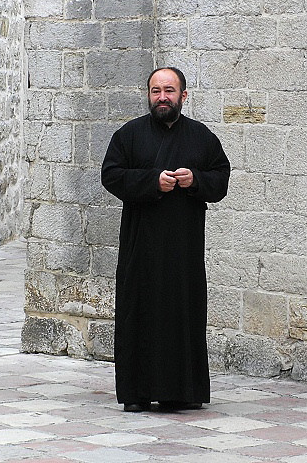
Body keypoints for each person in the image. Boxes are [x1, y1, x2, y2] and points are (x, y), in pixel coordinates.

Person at [101, 67, 230, 413]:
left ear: (183, 96)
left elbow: (221, 178)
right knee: (138, 313)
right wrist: (152, 182)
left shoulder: (202, 137)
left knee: (182, 313)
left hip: (183, 250)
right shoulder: (128, 135)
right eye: (156, 91)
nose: (162, 97)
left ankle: (181, 392)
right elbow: (111, 175)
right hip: (139, 247)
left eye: (169, 91)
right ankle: (138, 393)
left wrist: (195, 181)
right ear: (148, 95)